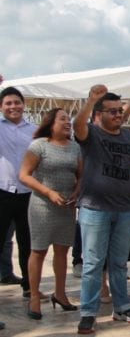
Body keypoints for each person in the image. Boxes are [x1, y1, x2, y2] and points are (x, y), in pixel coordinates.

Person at [73, 85, 130, 334]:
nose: (118, 114)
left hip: (126, 210)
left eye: (120, 110)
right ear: (100, 114)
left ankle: (122, 307)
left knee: (119, 263)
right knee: (93, 264)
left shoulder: (128, 137)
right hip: (95, 210)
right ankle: (88, 312)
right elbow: (77, 126)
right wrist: (90, 99)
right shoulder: (92, 134)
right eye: (112, 111)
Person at [18, 108, 82, 319]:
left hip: (66, 207)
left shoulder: (75, 148)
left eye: (69, 119)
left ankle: (60, 294)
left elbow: (81, 175)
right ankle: (35, 297)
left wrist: (76, 192)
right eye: (63, 119)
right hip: (42, 206)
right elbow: (24, 175)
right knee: (38, 250)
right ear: (51, 123)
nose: (68, 122)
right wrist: (49, 192)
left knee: (62, 251)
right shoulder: (39, 145)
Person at [0, 86, 36, 299]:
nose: (13, 106)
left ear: (24, 104)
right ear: (1, 107)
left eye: (17, 102)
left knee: (27, 243)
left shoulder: (34, 130)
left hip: (28, 193)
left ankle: (29, 286)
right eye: (8, 103)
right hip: (3, 192)